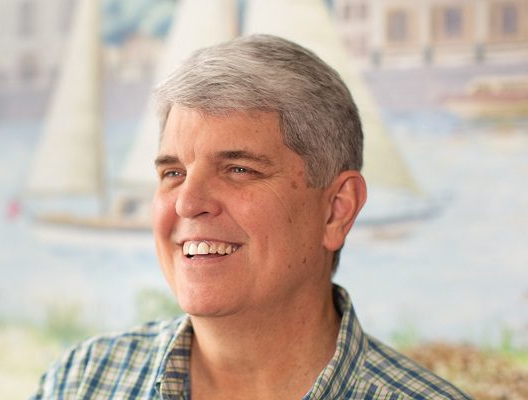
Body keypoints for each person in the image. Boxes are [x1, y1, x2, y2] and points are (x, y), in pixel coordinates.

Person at [32, 34, 470, 399]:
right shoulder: (79, 382)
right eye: (173, 173)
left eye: (238, 169)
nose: (187, 202)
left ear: (337, 209)